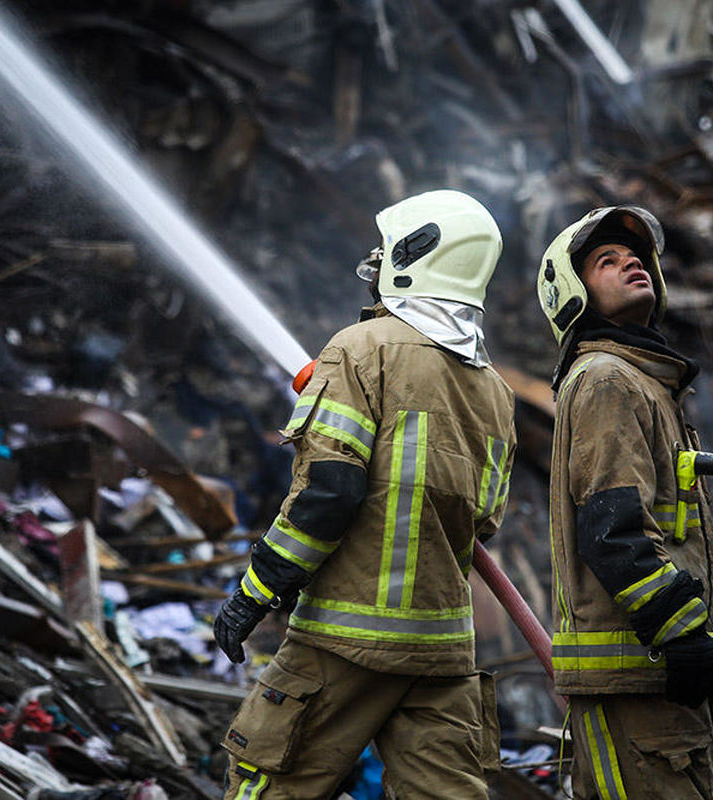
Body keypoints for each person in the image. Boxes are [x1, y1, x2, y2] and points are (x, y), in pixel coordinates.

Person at [214, 189, 516, 799]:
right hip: (442, 655)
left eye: (385, 251)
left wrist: (255, 591)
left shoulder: (360, 350)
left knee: (269, 786)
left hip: (343, 645)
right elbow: (484, 521)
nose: (374, 264)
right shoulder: (496, 392)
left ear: (416, 257)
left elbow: (328, 493)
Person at [535, 206, 713, 800]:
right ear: (572, 295)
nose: (631, 262)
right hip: (630, 685)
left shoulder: (647, 384)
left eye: (635, 256)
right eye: (606, 260)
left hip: (652, 681)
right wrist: (684, 636)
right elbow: (615, 533)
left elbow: (675, 542)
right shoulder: (608, 380)